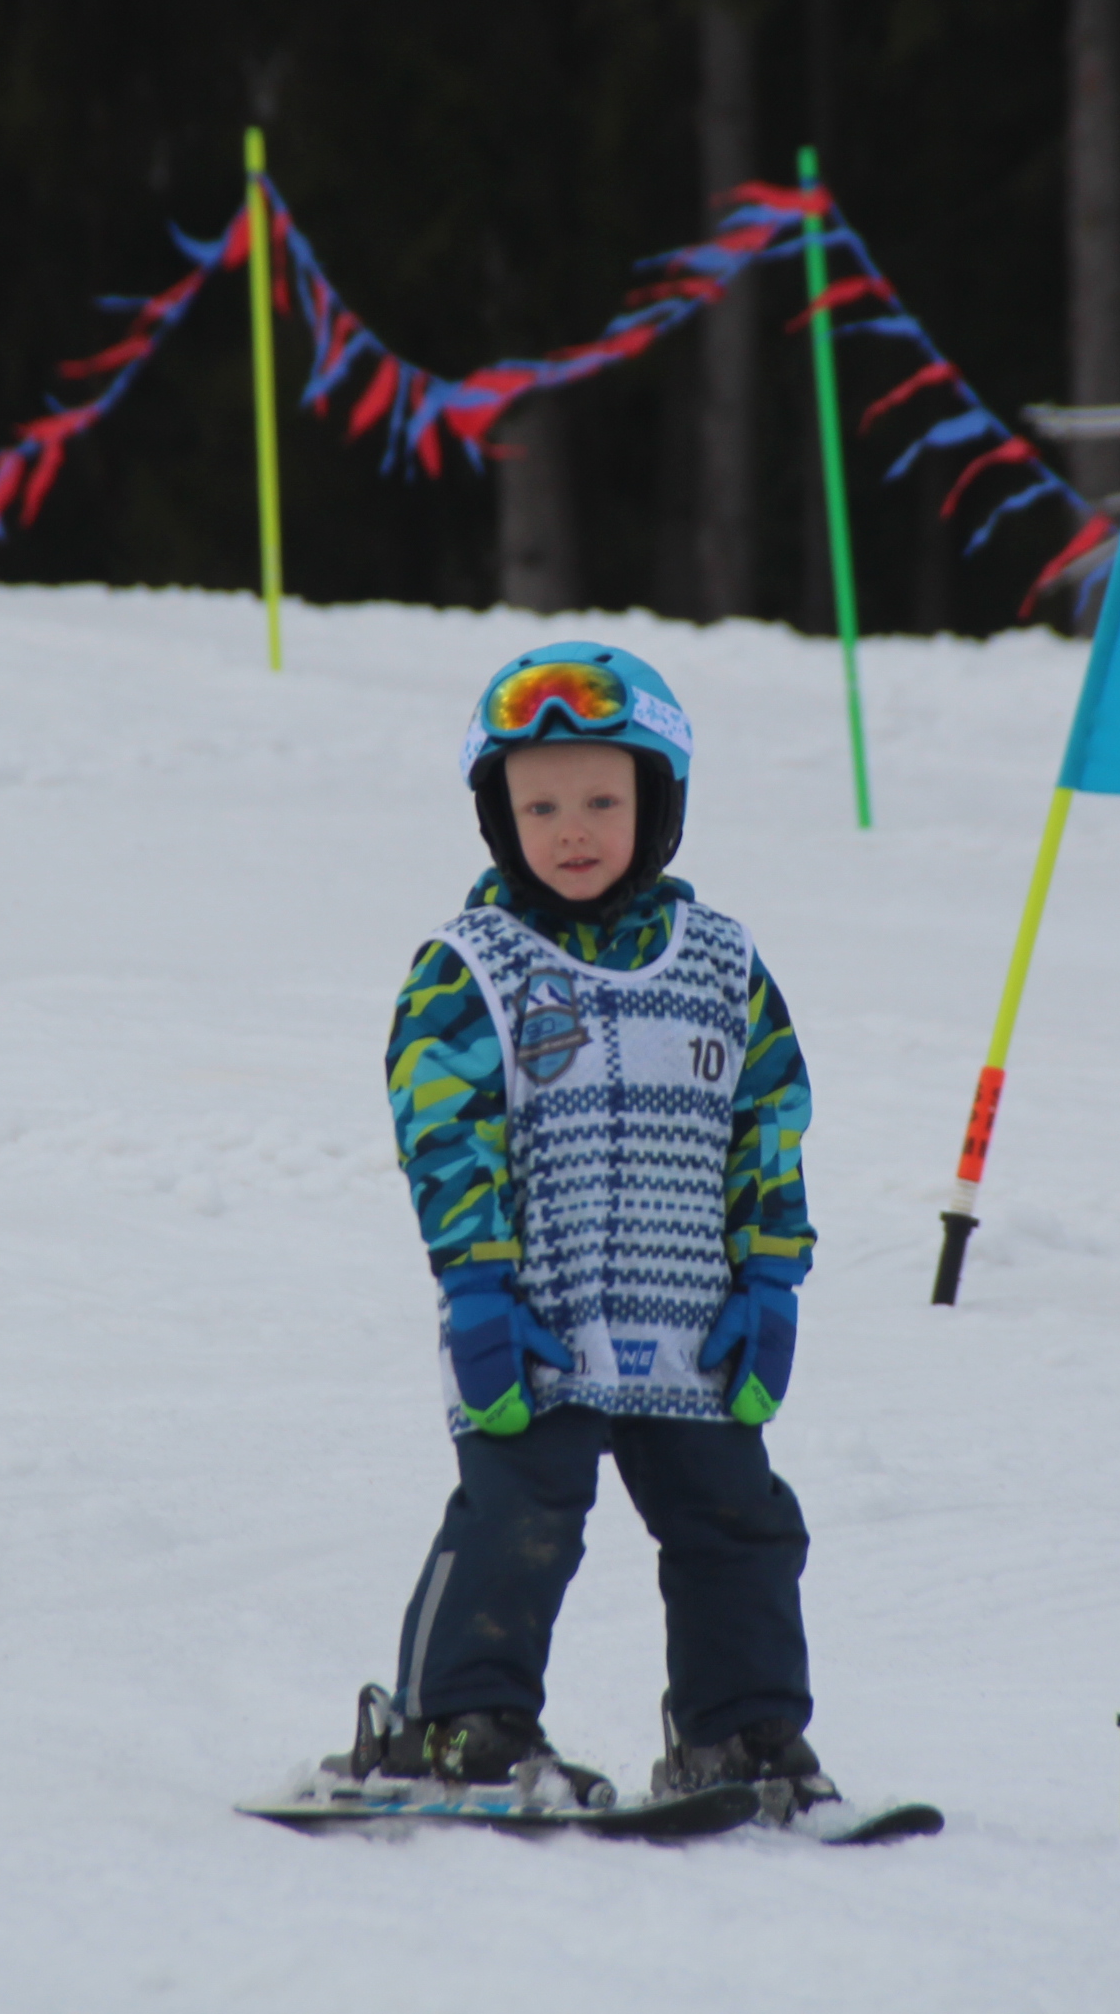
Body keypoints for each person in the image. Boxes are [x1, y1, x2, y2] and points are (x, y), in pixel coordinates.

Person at [355, 641, 828, 1813]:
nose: (572, 831)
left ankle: (741, 1731)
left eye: (603, 803)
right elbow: (445, 1134)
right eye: (541, 808)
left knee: (740, 1524)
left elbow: (768, 1122)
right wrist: (478, 1289)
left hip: (694, 1323)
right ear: (499, 819)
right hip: (538, 1320)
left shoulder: (721, 966)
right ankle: (456, 1723)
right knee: (523, 1515)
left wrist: (769, 1280)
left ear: (657, 806)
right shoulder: (474, 970)